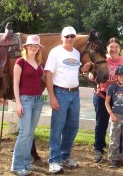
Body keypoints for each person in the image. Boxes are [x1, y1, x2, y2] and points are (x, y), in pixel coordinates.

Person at [44, 26, 92, 174]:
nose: (70, 39)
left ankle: (65, 156)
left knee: (73, 126)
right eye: (67, 36)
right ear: (62, 37)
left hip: (74, 94)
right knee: (57, 128)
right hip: (60, 93)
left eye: (72, 36)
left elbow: (75, 70)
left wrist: (85, 68)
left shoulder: (77, 53)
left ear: (75, 38)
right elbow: (48, 74)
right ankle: (54, 160)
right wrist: (52, 96)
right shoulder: (55, 52)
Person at [90, 37, 123, 163]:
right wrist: (92, 74)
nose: (114, 49)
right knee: (101, 124)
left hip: (120, 98)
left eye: (116, 47)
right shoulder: (102, 60)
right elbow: (91, 75)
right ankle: (99, 149)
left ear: (120, 49)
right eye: (111, 47)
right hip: (102, 95)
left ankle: (120, 152)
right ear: (107, 49)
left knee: (121, 125)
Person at [10, 35, 45, 176]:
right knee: (24, 132)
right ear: (26, 47)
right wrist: (18, 103)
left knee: (30, 132)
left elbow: (46, 78)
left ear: (38, 48)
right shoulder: (20, 62)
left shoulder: (38, 63)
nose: (34, 47)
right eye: (31, 45)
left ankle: (26, 162)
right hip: (25, 100)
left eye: (36, 46)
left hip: (38, 100)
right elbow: (15, 84)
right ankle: (16, 165)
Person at [105, 64, 123, 168]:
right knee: (114, 139)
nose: (122, 78)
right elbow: (107, 102)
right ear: (116, 76)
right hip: (115, 117)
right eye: (120, 76)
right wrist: (111, 115)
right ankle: (113, 159)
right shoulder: (112, 87)